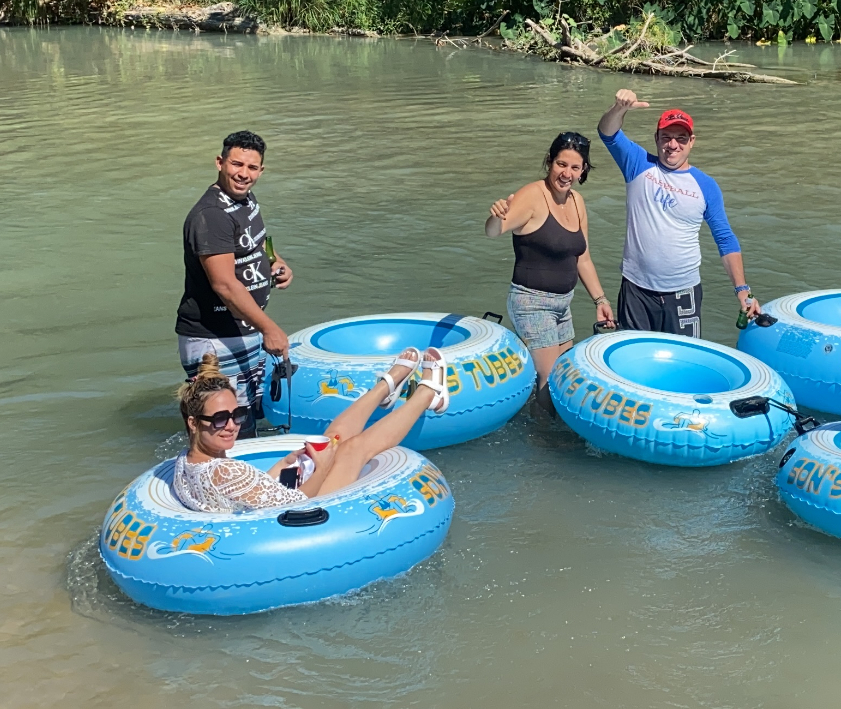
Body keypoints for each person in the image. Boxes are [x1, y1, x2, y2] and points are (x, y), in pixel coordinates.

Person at [171, 349, 449, 512]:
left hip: (270, 506)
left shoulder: (184, 461)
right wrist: (325, 466)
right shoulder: (226, 470)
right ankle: (428, 394)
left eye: (237, 414)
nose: (232, 426)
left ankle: (385, 388)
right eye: (220, 419)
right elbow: (297, 503)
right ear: (193, 422)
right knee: (352, 449)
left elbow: (241, 495)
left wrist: (282, 465)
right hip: (303, 511)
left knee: (331, 440)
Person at [595, 89, 762, 338]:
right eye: (666, 137)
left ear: (692, 141)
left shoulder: (706, 186)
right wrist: (620, 107)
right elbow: (607, 132)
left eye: (681, 138)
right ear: (657, 138)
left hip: (684, 293)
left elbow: (725, 240)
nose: (673, 145)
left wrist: (742, 290)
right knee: (635, 363)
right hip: (635, 289)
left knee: (683, 361)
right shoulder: (638, 164)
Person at [484, 132, 615, 404]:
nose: (566, 173)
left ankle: (543, 425)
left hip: (563, 305)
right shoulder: (532, 196)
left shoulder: (577, 202)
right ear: (550, 162)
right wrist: (496, 216)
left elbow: (583, 257)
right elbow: (494, 232)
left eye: (574, 167)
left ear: (583, 171)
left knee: (565, 376)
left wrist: (600, 299)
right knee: (550, 380)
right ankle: (543, 442)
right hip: (531, 303)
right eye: (561, 164)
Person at [175, 130, 293, 429]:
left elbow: (256, 239)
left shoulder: (245, 200)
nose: (244, 174)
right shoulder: (211, 215)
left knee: (248, 419)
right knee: (224, 428)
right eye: (236, 165)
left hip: (243, 328)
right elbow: (224, 285)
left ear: (261, 170)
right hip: (214, 339)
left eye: (252, 168)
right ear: (220, 162)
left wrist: (274, 261)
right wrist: (270, 329)